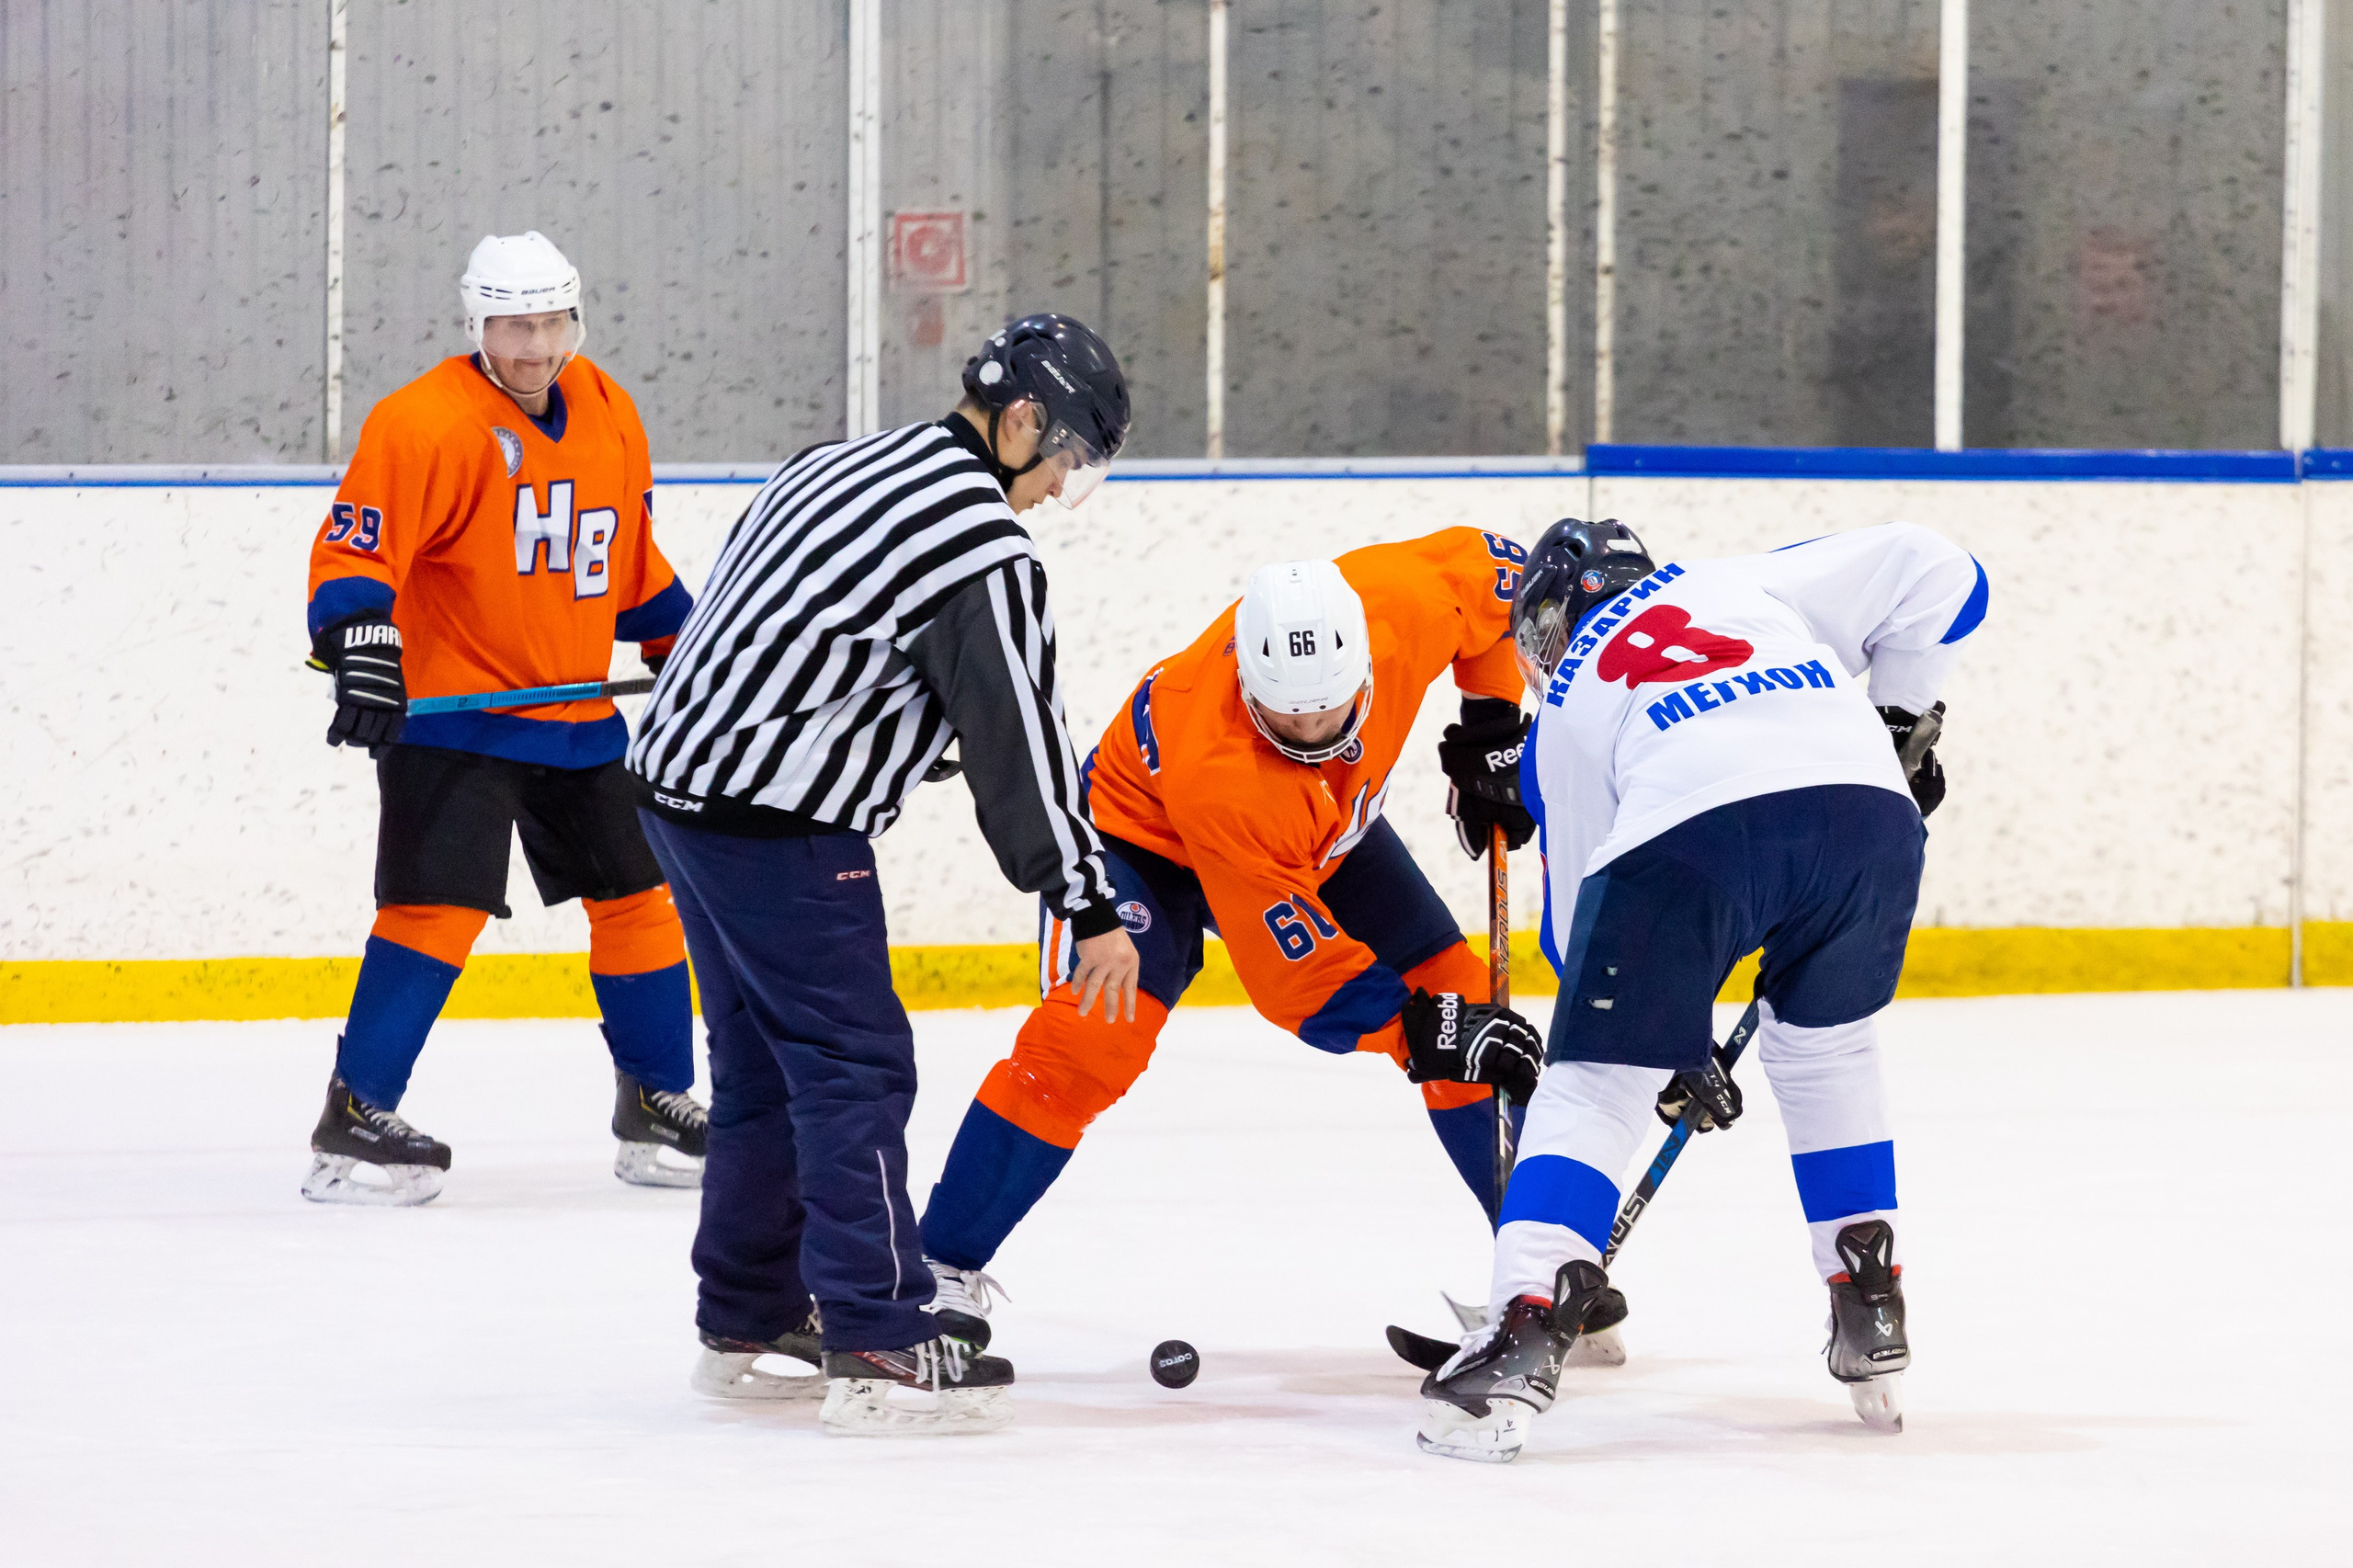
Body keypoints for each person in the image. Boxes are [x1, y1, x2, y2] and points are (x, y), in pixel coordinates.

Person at [629, 314, 1140, 1436]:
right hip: (780, 826)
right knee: (853, 1065)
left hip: (676, 794)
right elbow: (1023, 744)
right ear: (1021, 421)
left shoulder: (841, 461)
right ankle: (877, 1333)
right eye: (1064, 459)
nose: (1059, 490)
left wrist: (904, 719)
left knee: (764, 1067)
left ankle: (749, 1309)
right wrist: (1087, 897)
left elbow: (792, 633)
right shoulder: (980, 547)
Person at [1415, 517, 1985, 1464]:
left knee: (1594, 1082)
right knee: (1828, 1051)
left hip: (1696, 830)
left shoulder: (1567, 701)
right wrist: (1896, 726)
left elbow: (1579, 939)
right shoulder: (1741, 584)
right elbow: (1948, 573)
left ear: (1551, 623)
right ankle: (1868, 1300)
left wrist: (1665, 1045)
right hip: (1868, 816)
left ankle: (1523, 1324)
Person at [914, 528, 1558, 1351]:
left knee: (1461, 998)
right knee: (1089, 1045)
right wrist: (1416, 1030)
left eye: (1330, 707)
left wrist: (1491, 721)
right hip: (1144, 840)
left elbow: (1515, 590)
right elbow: (1295, 980)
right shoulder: (1225, 771)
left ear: (1365, 660)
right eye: (1285, 713)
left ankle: (1540, 1271)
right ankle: (937, 1264)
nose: (1312, 727)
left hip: (1317, 832)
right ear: (1248, 683)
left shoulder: (1402, 603)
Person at [301, 231, 703, 1207]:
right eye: (513, 326)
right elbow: (356, 550)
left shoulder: (609, 409)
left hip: (574, 711)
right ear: (476, 323)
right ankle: (356, 1113)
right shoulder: (422, 422)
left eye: (551, 322)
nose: (535, 346)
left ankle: (656, 1099)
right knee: (435, 909)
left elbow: (627, 561)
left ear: (576, 318)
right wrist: (361, 642)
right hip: (456, 716)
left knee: (639, 896)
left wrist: (689, 647)